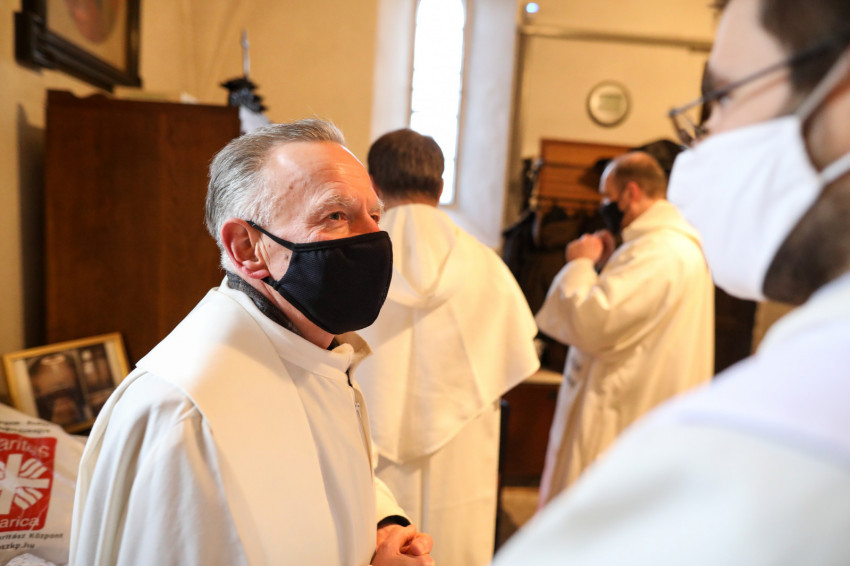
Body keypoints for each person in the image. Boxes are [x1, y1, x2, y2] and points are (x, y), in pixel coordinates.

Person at [492, 0, 850, 563]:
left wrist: (579, 264)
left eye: (723, 98)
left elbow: (594, 321)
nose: (706, 139)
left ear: (841, 96)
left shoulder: (769, 446)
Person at [69, 119, 435, 566]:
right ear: (246, 247)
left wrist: (383, 527)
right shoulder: (189, 416)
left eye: (374, 216)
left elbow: (328, 480)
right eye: (335, 216)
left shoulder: (314, 353)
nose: (372, 238)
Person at [357, 129, 540, 566]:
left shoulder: (352, 261)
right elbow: (516, 348)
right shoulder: (485, 263)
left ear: (373, 184)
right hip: (459, 445)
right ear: (440, 187)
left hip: (370, 441)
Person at [534, 151, 714, 506]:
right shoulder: (657, 246)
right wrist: (608, 263)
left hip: (625, 408)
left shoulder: (659, 251)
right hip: (642, 398)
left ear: (631, 192)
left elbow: (595, 321)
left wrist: (580, 264)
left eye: (607, 196)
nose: (603, 206)